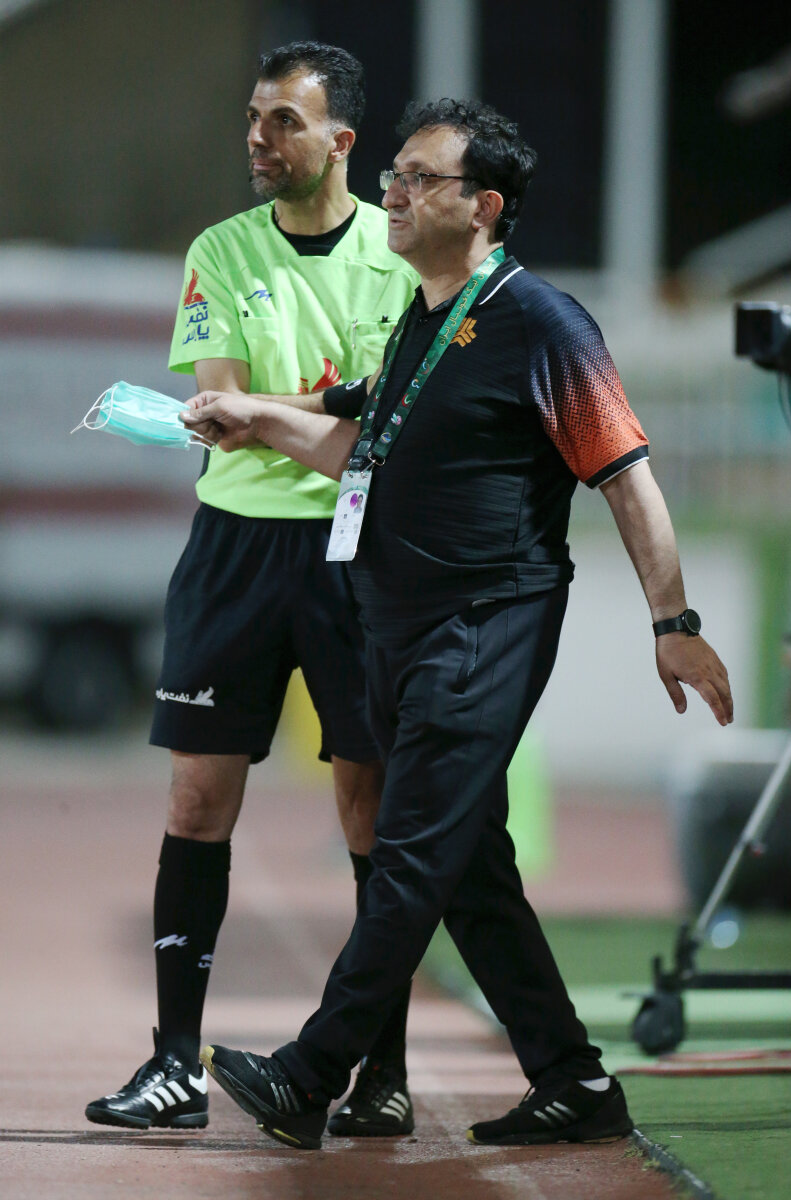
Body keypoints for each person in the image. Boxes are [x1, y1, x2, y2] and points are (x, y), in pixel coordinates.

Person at [180, 98, 734, 1152]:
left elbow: (626, 477)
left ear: (483, 207)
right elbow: (359, 455)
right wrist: (257, 419)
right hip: (396, 627)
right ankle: (573, 1080)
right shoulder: (420, 319)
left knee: (409, 852)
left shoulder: (543, 322)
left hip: (484, 622)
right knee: (467, 868)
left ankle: (309, 1072)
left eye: (418, 178)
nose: (391, 193)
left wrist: (674, 619)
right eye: (393, 174)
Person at [85, 42, 418, 1136]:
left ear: (341, 140)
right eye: (253, 117)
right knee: (195, 802)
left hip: (358, 552)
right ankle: (174, 1064)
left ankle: (380, 1072)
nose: (258, 138)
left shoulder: (398, 253)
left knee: (369, 809)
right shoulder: (221, 250)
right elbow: (218, 407)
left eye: (283, 120)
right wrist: (333, 408)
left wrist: (283, 416)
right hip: (232, 549)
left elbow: (383, 417)